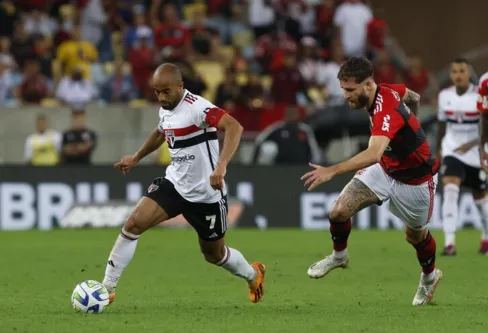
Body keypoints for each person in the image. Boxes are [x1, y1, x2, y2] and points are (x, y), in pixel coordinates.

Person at [101, 63, 266, 305]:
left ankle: (253, 274)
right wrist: (136, 157)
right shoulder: (166, 108)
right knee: (133, 224)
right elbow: (160, 132)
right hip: (175, 185)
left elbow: (234, 126)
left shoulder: (197, 108)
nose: (161, 97)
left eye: (166, 91)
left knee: (214, 254)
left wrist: (221, 166)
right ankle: (107, 288)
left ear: (180, 87)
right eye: (157, 92)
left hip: (206, 195)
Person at [301, 56, 442, 306]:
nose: (345, 96)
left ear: (367, 85)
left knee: (415, 236)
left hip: (416, 181)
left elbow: (373, 153)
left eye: (350, 90)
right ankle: (339, 256)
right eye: (343, 89)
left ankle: (430, 278)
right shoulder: (385, 90)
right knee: (338, 211)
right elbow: (413, 97)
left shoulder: (385, 108)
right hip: (385, 170)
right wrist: (412, 126)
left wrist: (332, 170)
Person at [436, 58, 488, 255]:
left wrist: (481, 147)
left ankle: (486, 236)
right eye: (455, 71)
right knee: (450, 187)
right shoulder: (444, 96)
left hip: (475, 153)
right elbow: (442, 125)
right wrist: (439, 151)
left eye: (462, 71)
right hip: (452, 151)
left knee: (480, 197)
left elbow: (486, 124)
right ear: (451, 75)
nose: (458, 75)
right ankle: (449, 243)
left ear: (469, 73)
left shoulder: (479, 95)